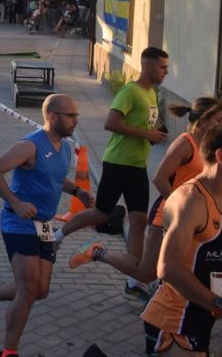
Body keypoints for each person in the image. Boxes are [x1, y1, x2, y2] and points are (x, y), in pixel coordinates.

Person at [0, 94, 90, 355]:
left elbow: (54, 178)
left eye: (76, 115)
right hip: (18, 223)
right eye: (71, 115)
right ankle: (9, 351)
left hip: (43, 225)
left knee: (39, 290)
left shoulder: (65, 147)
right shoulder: (30, 145)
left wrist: (77, 191)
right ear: (52, 117)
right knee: (28, 288)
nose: (76, 120)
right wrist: (16, 202)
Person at [140, 122, 222, 356]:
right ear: (221, 156)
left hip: (199, 315)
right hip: (176, 322)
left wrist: (218, 303)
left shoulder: (219, 194)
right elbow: (168, 267)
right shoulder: (191, 200)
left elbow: (206, 262)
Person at [69, 97, 222, 285]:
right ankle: (97, 252)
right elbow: (159, 178)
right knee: (146, 273)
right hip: (167, 214)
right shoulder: (185, 143)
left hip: (191, 217)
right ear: (202, 120)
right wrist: (178, 207)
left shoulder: (209, 148)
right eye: (219, 120)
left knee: (181, 267)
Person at [55, 46, 170, 301]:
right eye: (163, 67)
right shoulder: (130, 91)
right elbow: (111, 123)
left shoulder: (151, 92)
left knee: (139, 221)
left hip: (138, 165)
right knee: (102, 212)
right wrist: (146, 134)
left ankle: (133, 280)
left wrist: (154, 132)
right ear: (148, 67)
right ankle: (57, 236)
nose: (166, 72)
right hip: (117, 163)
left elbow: (144, 123)